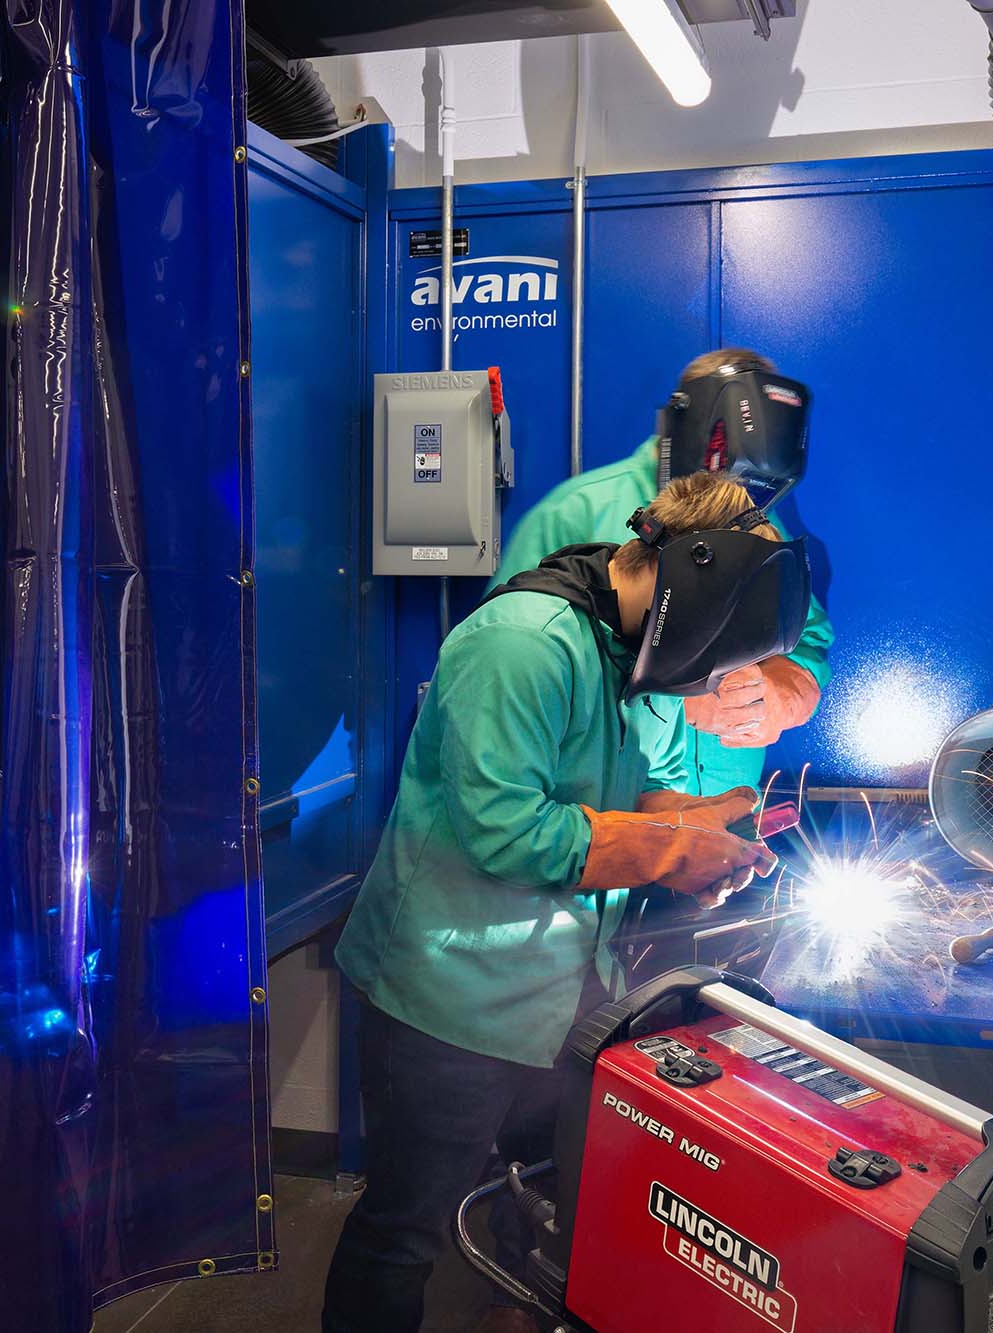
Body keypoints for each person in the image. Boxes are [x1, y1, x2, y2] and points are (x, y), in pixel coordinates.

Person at [322, 473, 811, 1333]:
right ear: (691, 590)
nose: (712, 678)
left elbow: (632, 795)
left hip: (565, 996)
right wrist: (671, 847)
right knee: (404, 1234)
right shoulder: (521, 646)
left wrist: (704, 826)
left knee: (547, 1203)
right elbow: (506, 830)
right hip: (447, 1002)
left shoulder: (630, 655)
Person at [492, 348, 834, 798]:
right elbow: (513, 670)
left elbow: (805, 639)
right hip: (596, 819)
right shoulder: (577, 512)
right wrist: (676, 698)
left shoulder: (754, 519)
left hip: (721, 812)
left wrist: (781, 695)